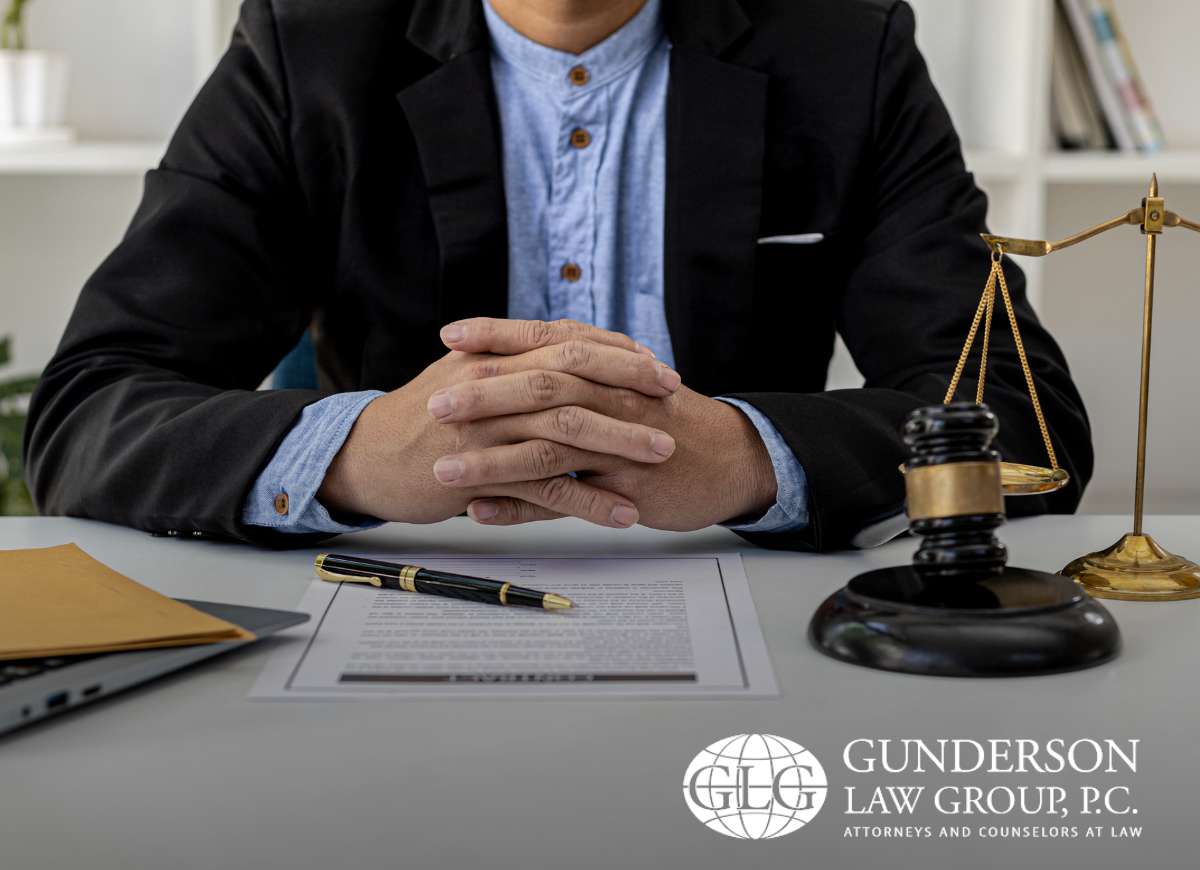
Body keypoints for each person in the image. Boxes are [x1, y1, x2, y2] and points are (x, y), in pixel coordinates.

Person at [23, 0, 1092, 552]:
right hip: (389, 604)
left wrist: (756, 459)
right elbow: (86, 416)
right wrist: (354, 454)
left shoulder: (843, 51)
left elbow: (1023, 423)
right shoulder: (305, 48)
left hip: (760, 619)